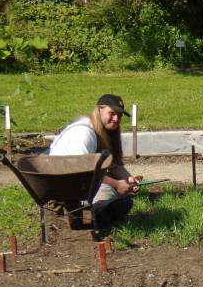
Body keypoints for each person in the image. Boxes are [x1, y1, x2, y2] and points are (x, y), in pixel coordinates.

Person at [48, 93, 140, 226]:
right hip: (62, 181)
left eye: (119, 116)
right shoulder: (84, 134)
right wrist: (116, 184)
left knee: (121, 196)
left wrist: (128, 178)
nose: (116, 119)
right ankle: (95, 210)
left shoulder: (101, 131)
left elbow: (112, 164)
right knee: (117, 197)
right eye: (112, 113)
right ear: (99, 109)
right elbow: (85, 172)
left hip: (73, 178)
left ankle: (97, 209)